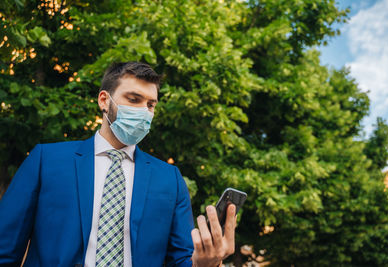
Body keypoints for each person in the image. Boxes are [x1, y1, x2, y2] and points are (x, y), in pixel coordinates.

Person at [0, 62, 236, 267]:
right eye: (133, 99)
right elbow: (5, 248)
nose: (144, 111)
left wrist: (205, 263)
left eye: (151, 105)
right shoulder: (47, 160)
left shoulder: (170, 179)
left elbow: (182, 259)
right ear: (104, 100)